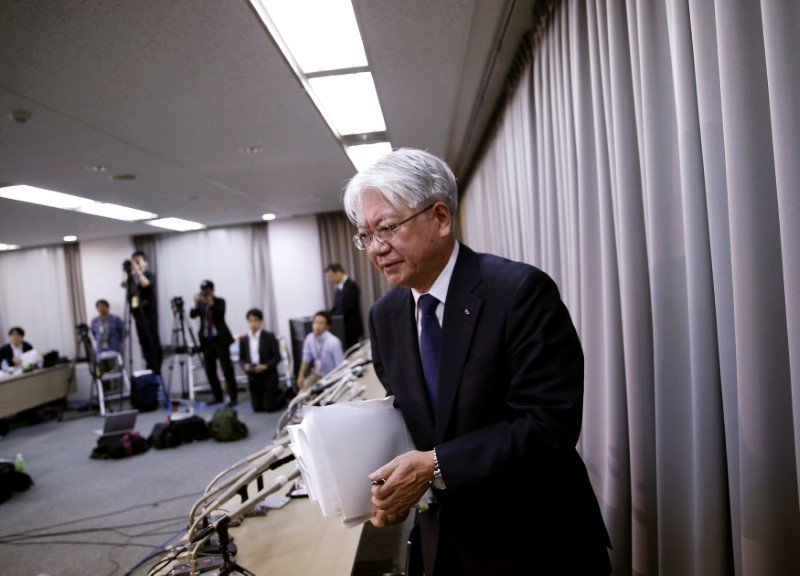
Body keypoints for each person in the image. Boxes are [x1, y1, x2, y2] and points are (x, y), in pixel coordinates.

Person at [343, 148, 611, 575]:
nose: (376, 249)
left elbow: (548, 424)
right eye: (365, 235)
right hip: (444, 545)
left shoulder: (519, 292)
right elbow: (409, 422)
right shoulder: (386, 315)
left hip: (535, 542)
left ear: (441, 217)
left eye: (388, 228)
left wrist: (434, 465)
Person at [190, 280, 238, 406]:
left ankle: (233, 397)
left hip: (220, 340)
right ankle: (217, 396)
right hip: (206, 341)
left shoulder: (219, 301)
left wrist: (210, 302)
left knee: (227, 369)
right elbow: (193, 315)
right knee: (210, 370)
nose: (205, 292)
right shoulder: (200, 303)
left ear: (212, 290)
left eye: (207, 290)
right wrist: (196, 303)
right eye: (203, 290)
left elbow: (220, 313)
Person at [123, 250, 163, 376]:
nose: (135, 264)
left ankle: (157, 367)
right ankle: (149, 365)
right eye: (133, 262)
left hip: (149, 314)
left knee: (152, 340)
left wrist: (139, 271)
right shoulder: (132, 278)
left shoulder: (148, 274)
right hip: (138, 315)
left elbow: (147, 285)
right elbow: (128, 293)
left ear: (144, 261)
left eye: (138, 261)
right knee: (144, 341)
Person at [239, 308, 284, 412]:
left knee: (269, 408)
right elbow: (241, 358)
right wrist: (245, 366)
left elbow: (277, 357)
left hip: (268, 374)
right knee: (257, 408)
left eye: (255, 320)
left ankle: (283, 395)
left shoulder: (269, 337)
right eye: (250, 321)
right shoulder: (244, 339)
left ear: (260, 321)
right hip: (253, 375)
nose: (253, 323)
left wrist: (266, 366)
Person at [296, 310, 344, 390]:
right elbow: (306, 358)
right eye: (316, 322)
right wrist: (301, 375)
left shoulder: (334, 342)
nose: (317, 326)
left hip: (330, 378)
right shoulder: (309, 338)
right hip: (316, 375)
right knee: (302, 394)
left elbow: (340, 366)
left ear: (327, 326)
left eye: (321, 323)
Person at [325, 263, 364, 349]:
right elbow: (336, 306)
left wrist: (333, 317)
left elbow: (347, 308)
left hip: (351, 329)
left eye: (331, 276)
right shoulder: (339, 287)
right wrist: (327, 317)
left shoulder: (351, 286)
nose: (330, 279)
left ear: (338, 272)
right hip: (342, 328)